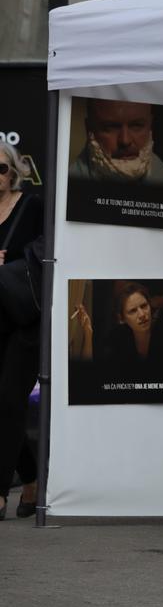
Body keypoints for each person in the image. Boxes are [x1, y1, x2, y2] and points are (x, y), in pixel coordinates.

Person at [0, 141, 44, 519]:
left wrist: (12, 259)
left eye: (0, 168)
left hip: (24, 318)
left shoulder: (33, 206)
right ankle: (31, 477)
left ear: (13, 171)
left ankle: (1, 493)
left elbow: (51, 251)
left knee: (11, 400)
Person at [68, 98, 163, 187]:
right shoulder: (63, 188)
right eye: (111, 127)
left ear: (150, 126)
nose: (125, 140)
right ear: (89, 128)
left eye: (136, 126)